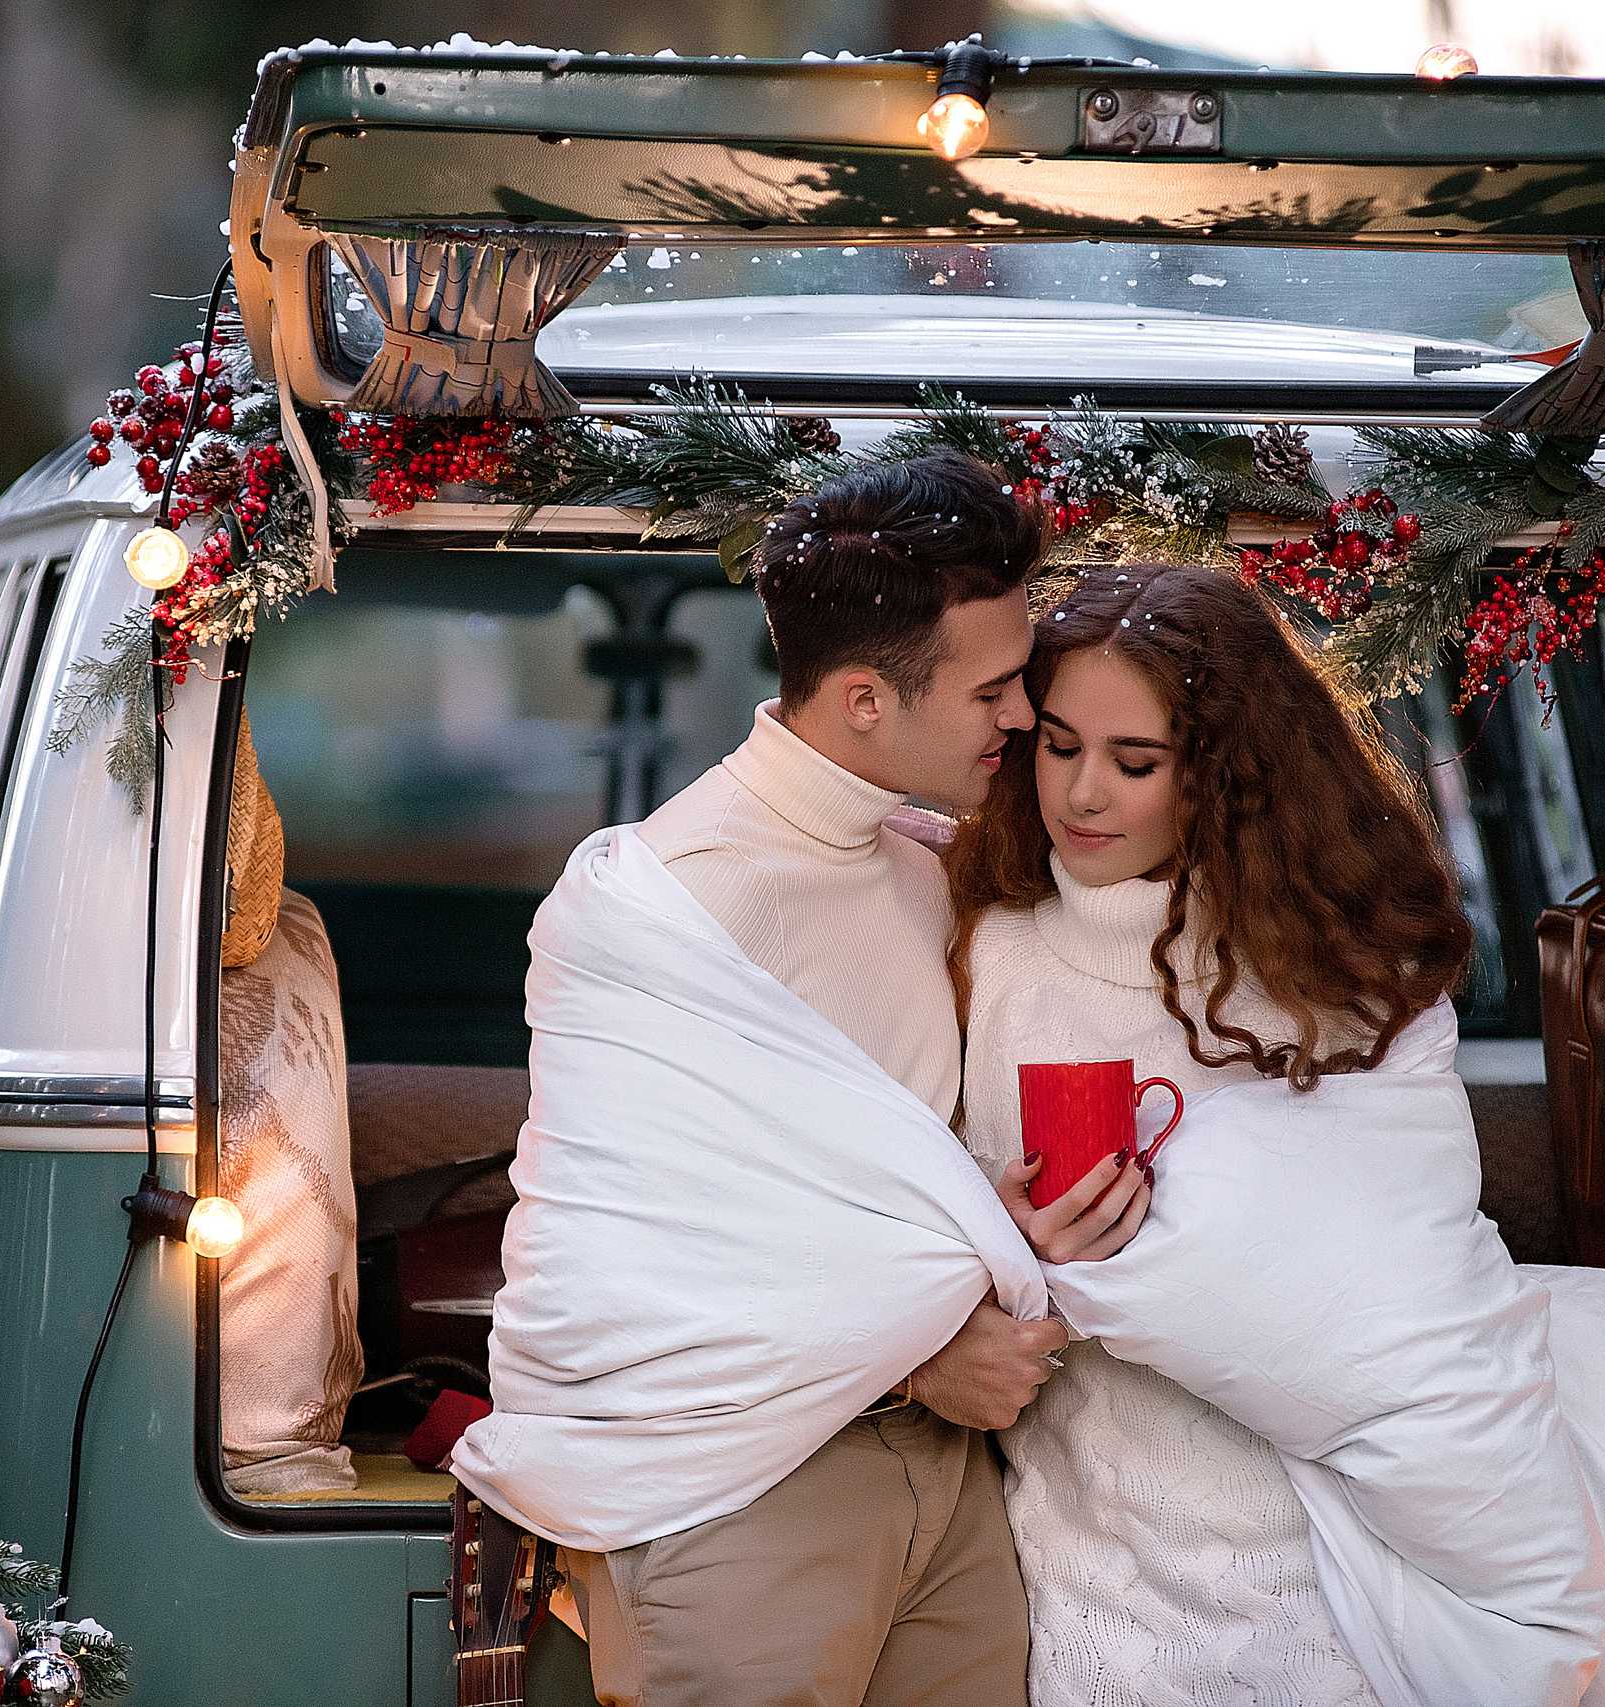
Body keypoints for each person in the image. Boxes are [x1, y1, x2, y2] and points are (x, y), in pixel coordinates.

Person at [948, 564, 1605, 1707]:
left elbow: (1396, 1255)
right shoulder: (989, 947)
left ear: (1227, 773)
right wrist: (1007, 1245)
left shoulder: (1341, 967)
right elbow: (927, 1222)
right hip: (1098, 1478)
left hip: (1334, 1486)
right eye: (1057, 745)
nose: (1083, 793)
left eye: (1135, 762)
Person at [451, 451, 1143, 1707]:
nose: (1019, 719)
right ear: (866, 698)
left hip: (954, 1480)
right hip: (736, 1495)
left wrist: (1001, 1227)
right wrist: (914, 1357)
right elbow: (623, 1275)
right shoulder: (660, 908)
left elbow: (885, 1179)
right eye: (995, 689)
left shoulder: (927, 868)